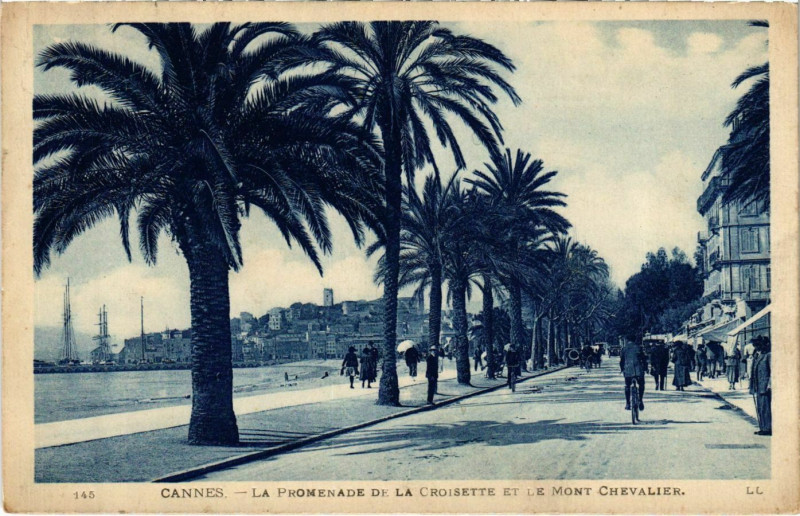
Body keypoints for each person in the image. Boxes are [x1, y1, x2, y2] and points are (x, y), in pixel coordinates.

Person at [749, 337, 771, 436]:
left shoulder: (768, 355)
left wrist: (769, 384)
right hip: (758, 385)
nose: (755, 347)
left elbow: (772, 371)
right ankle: (762, 427)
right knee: (760, 408)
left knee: (765, 408)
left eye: (757, 345)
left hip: (765, 386)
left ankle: (767, 428)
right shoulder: (757, 355)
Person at [620, 340, 646, 411]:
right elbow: (644, 359)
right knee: (641, 384)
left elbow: (622, 360)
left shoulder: (624, 349)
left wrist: (622, 369)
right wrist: (645, 368)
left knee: (627, 386)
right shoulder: (639, 348)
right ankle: (640, 400)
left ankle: (628, 403)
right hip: (638, 370)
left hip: (628, 370)